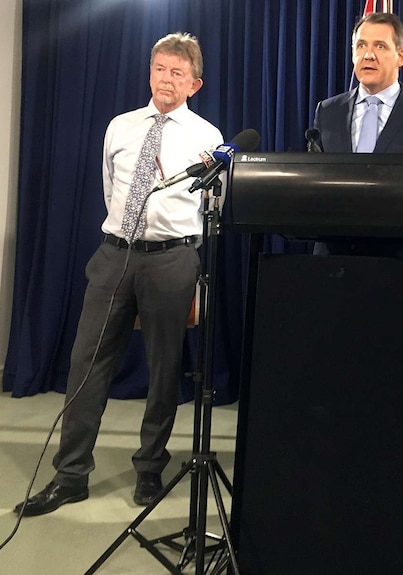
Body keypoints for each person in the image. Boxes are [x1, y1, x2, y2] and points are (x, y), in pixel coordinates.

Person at [15, 32, 223, 516]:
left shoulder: (208, 137)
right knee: (86, 364)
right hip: (114, 255)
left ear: (195, 83)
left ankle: (150, 469)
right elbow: (111, 190)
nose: (166, 79)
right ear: (149, 72)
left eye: (177, 73)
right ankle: (70, 476)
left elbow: (216, 203)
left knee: (164, 368)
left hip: (172, 259)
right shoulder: (120, 126)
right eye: (159, 69)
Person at [311, 11, 403, 259]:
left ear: (401, 56)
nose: (368, 55)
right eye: (361, 45)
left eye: (380, 46)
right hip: (333, 262)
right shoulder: (327, 111)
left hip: (399, 265)